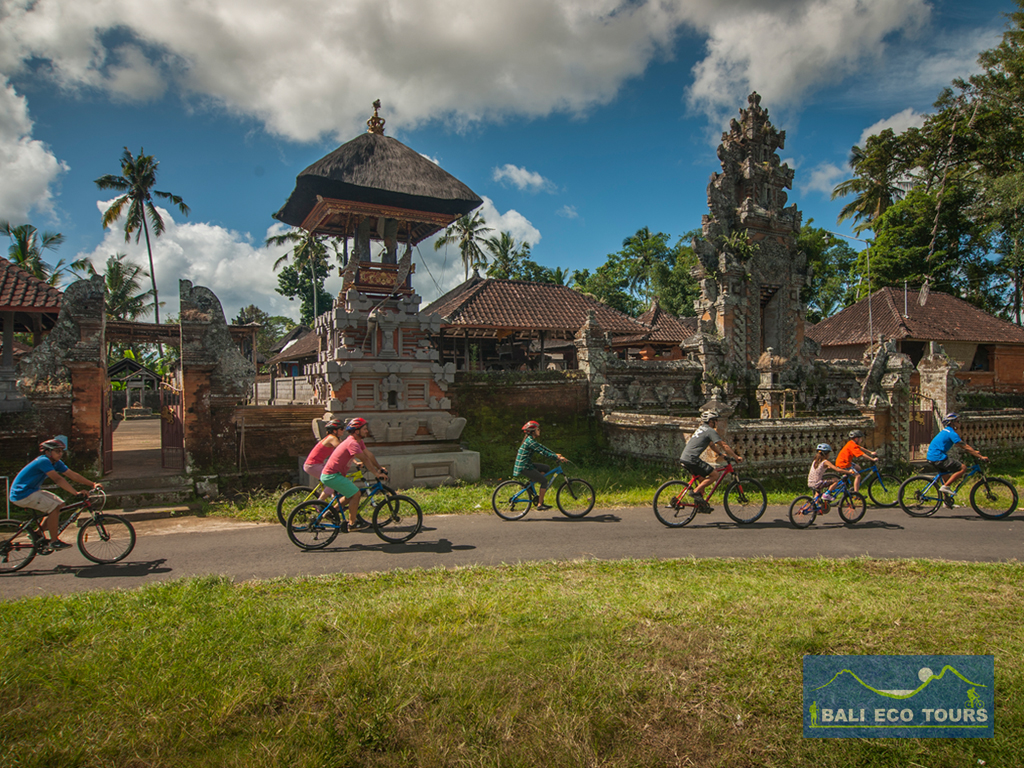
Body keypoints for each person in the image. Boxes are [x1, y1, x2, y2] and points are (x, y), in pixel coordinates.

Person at [9, 436, 102, 550]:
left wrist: (92, 484)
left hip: (32, 491)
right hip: (22, 494)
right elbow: (58, 479)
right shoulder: (43, 461)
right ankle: (54, 541)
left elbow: (72, 475)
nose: (60, 454)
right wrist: (75, 493)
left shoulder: (56, 462)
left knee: (60, 504)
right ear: (48, 452)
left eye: (61, 451)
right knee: (53, 508)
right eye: (57, 451)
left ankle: (38, 533)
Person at [320, 418, 388, 531]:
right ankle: (352, 524)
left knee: (350, 494)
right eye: (365, 429)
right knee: (356, 494)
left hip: (334, 475)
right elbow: (365, 459)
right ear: (357, 431)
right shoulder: (352, 443)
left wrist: (379, 468)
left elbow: (369, 455)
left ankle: (331, 512)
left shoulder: (358, 441)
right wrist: (376, 473)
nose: (367, 431)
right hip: (332, 476)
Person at [679, 411, 742, 508]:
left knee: (703, 482)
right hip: (692, 459)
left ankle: (700, 505)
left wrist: (721, 454)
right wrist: (736, 457)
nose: (716, 423)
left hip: (685, 458)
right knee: (715, 474)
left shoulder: (701, 429)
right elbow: (724, 445)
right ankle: (695, 492)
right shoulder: (710, 431)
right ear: (710, 421)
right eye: (715, 420)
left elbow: (711, 445)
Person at [926, 413, 987, 499]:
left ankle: (946, 501)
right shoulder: (951, 433)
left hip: (933, 456)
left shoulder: (946, 431)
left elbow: (963, 446)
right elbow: (964, 446)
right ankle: (945, 487)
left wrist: (974, 452)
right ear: (952, 423)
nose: (960, 423)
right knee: (963, 468)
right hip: (938, 457)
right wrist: (980, 457)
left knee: (946, 477)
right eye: (958, 421)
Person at [513, 421, 566, 510]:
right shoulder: (530, 441)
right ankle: (540, 504)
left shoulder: (530, 440)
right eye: (537, 429)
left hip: (526, 464)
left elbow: (542, 448)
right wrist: (556, 457)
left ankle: (530, 485)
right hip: (524, 467)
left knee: (546, 468)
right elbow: (542, 452)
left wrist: (555, 454)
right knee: (544, 481)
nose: (539, 430)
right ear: (533, 431)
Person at [302, 418, 346, 500]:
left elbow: (346, 451)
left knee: (336, 480)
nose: (343, 430)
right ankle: (319, 503)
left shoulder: (337, 439)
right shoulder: (331, 438)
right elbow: (342, 450)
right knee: (334, 481)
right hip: (312, 465)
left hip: (318, 464)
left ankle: (334, 503)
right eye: (341, 429)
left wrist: (355, 461)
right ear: (334, 431)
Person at [807, 443, 855, 511]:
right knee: (836, 480)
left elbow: (821, 468)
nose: (829, 455)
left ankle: (816, 506)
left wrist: (829, 467)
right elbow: (837, 469)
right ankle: (827, 494)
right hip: (818, 483)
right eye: (828, 453)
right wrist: (849, 472)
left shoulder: (815, 461)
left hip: (810, 482)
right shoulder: (825, 461)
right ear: (826, 454)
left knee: (818, 492)